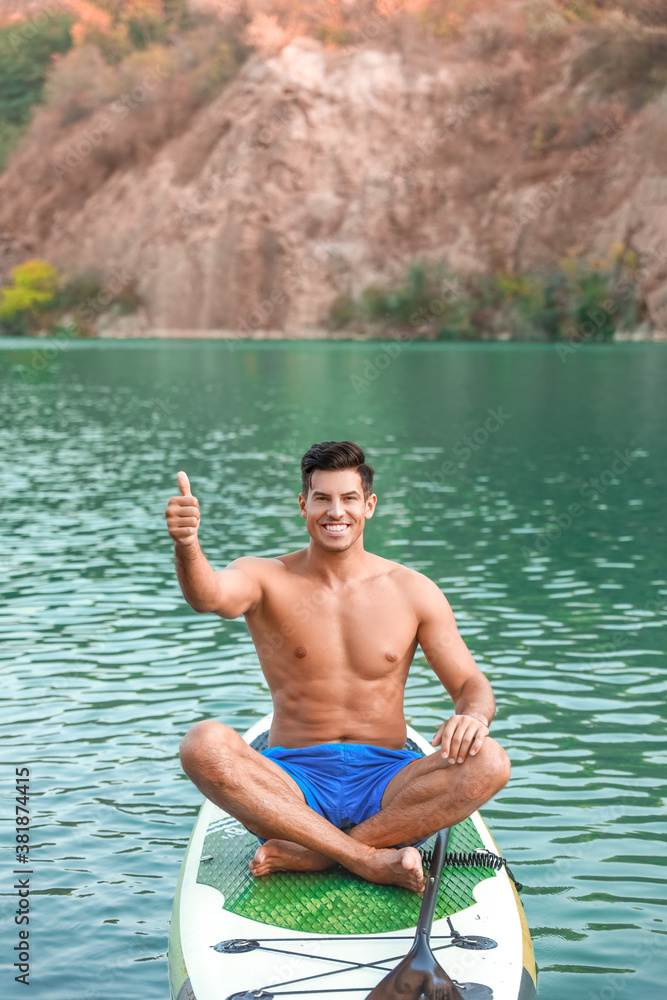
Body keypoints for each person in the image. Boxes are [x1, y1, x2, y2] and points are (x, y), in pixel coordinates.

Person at [167, 441, 510, 894]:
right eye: (323, 498)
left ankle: (315, 854)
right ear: (303, 505)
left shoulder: (413, 590)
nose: (336, 511)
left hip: (389, 784)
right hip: (293, 784)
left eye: (348, 498)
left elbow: (470, 683)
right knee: (202, 744)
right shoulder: (265, 577)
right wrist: (188, 545)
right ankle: (365, 858)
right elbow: (207, 595)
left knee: (491, 760)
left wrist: (473, 716)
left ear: (368, 505)